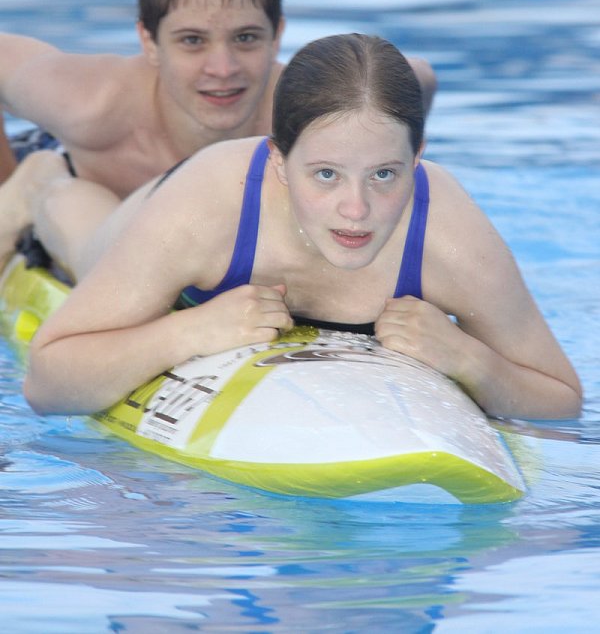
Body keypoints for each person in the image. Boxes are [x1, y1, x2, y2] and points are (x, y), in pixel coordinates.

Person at [21, 34, 581, 423]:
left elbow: (561, 397)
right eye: (326, 175)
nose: (355, 209)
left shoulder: (449, 236)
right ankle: (42, 181)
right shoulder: (210, 209)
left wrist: (470, 360)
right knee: (79, 239)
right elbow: (46, 383)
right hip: (165, 202)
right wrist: (185, 334)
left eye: (384, 174)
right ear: (279, 161)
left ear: (418, 161)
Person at [0, 0, 437, 193]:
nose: (223, 69)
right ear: (149, 42)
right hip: (63, 167)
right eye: (192, 41)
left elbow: (419, 78)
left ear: (277, 35)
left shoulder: (309, 107)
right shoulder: (91, 107)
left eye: (246, 38)